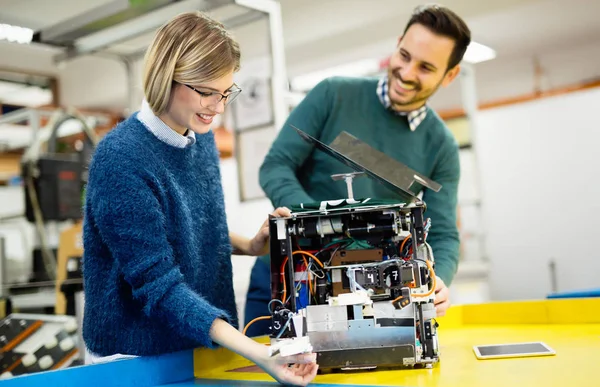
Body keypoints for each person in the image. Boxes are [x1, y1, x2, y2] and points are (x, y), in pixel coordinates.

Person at [81, 11, 318, 386]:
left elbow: (198, 236)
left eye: (226, 92)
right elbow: (158, 285)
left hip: (201, 346)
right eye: (206, 92)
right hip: (136, 359)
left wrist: (252, 244)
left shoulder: (199, 137)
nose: (218, 107)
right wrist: (260, 353)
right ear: (165, 77)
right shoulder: (121, 159)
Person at [244, 4, 471, 337]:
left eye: (425, 67)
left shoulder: (441, 147)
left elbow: (444, 235)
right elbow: (275, 166)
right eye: (404, 56)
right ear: (397, 45)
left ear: (449, 75)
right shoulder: (332, 94)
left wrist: (440, 280)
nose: (407, 73)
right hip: (286, 280)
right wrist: (317, 224)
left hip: (369, 298)